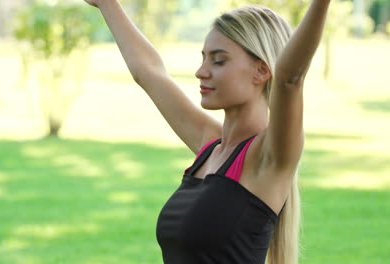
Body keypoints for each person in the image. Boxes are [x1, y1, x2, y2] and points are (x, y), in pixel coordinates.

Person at [83, 0, 331, 263]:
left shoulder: (267, 159)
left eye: (219, 61)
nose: (201, 72)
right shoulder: (211, 146)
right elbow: (149, 71)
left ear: (261, 70)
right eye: (203, 58)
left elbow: (289, 78)